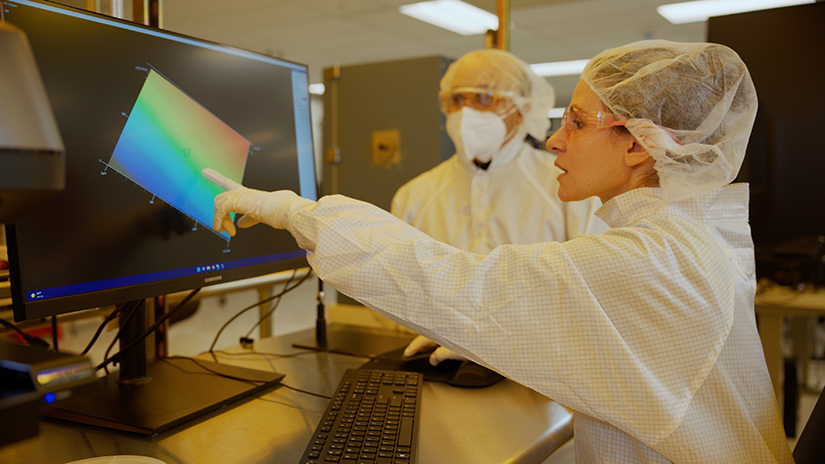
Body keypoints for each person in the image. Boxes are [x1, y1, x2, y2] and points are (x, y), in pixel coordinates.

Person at [206, 40, 794, 462]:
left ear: (640, 144)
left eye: (580, 122)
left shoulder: (650, 261)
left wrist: (293, 209)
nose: (557, 137)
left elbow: (459, 282)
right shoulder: (677, 242)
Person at [394, 49, 606, 365]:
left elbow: (593, 294)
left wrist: (512, 339)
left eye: (484, 98)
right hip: (436, 367)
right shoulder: (415, 195)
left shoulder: (569, 187)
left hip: (544, 372)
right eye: (456, 100)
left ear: (521, 110)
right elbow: (400, 289)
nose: (465, 112)